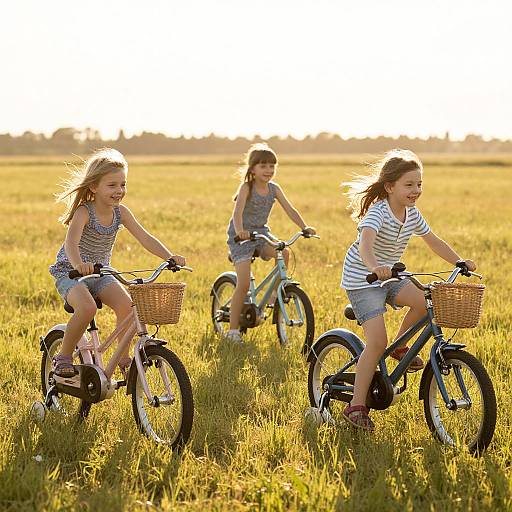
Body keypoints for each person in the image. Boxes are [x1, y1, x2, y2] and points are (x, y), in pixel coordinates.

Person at [340, 149, 476, 431]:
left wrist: (458, 261)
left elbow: (433, 240)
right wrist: (375, 266)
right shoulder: (378, 213)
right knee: (376, 342)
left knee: (425, 301)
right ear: (390, 186)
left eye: (419, 184)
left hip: (390, 275)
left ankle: (400, 347)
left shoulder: (412, 214)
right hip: (363, 278)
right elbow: (365, 244)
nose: (416, 190)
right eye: (409, 184)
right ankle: (355, 406)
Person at [49, 148, 186, 377]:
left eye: (123, 184)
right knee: (87, 308)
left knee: (128, 307)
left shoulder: (121, 213)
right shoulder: (84, 212)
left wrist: (169, 257)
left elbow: (145, 238)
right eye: (112, 185)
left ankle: (123, 359)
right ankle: (62, 357)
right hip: (70, 272)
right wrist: (79, 265)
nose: (119, 190)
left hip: (101, 273)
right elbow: (71, 244)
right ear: (94, 187)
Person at [225, 143, 316, 343]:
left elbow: (290, 209)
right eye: (263, 166)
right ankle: (232, 331)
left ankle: (275, 295)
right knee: (243, 284)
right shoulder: (246, 187)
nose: (269, 170)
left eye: (272, 166)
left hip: (261, 233)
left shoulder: (274, 189)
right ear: (253, 169)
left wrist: (304, 227)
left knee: (284, 253)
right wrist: (240, 231)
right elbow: (237, 213)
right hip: (241, 237)